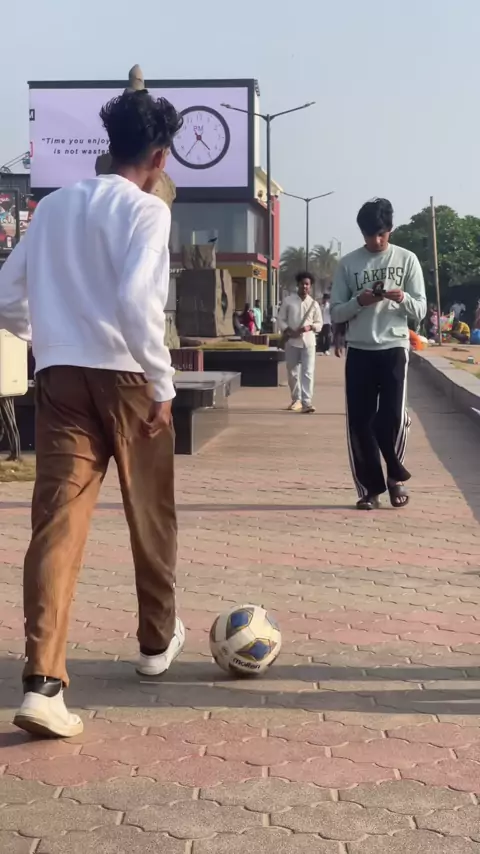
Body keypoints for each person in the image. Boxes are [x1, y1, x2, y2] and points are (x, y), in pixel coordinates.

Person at [0, 90, 185, 738]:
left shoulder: (52, 207)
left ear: (109, 147)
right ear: (159, 158)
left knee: (58, 521)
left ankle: (43, 684)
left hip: (61, 376)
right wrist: (162, 380)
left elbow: (6, 295)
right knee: (149, 511)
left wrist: (46, 336)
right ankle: (155, 641)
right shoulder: (148, 211)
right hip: (129, 376)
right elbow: (137, 302)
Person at [331, 198, 426, 510]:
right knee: (360, 422)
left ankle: (394, 476)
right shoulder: (348, 264)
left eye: (382, 234)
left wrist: (402, 299)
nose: (377, 240)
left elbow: (421, 309)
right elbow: (336, 312)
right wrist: (360, 301)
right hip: (360, 349)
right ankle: (370, 489)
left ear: (390, 230)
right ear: (362, 233)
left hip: (394, 347)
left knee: (393, 417)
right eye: (370, 235)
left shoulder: (407, 259)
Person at [278, 271, 323, 413]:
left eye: (307, 284)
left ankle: (307, 402)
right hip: (292, 341)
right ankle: (296, 400)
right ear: (298, 284)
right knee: (292, 372)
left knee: (308, 372)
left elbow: (319, 323)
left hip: (308, 342)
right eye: (302, 283)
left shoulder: (314, 304)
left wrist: (310, 327)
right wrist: (287, 330)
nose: (305, 286)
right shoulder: (288, 301)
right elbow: (280, 319)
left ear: (310, 286)